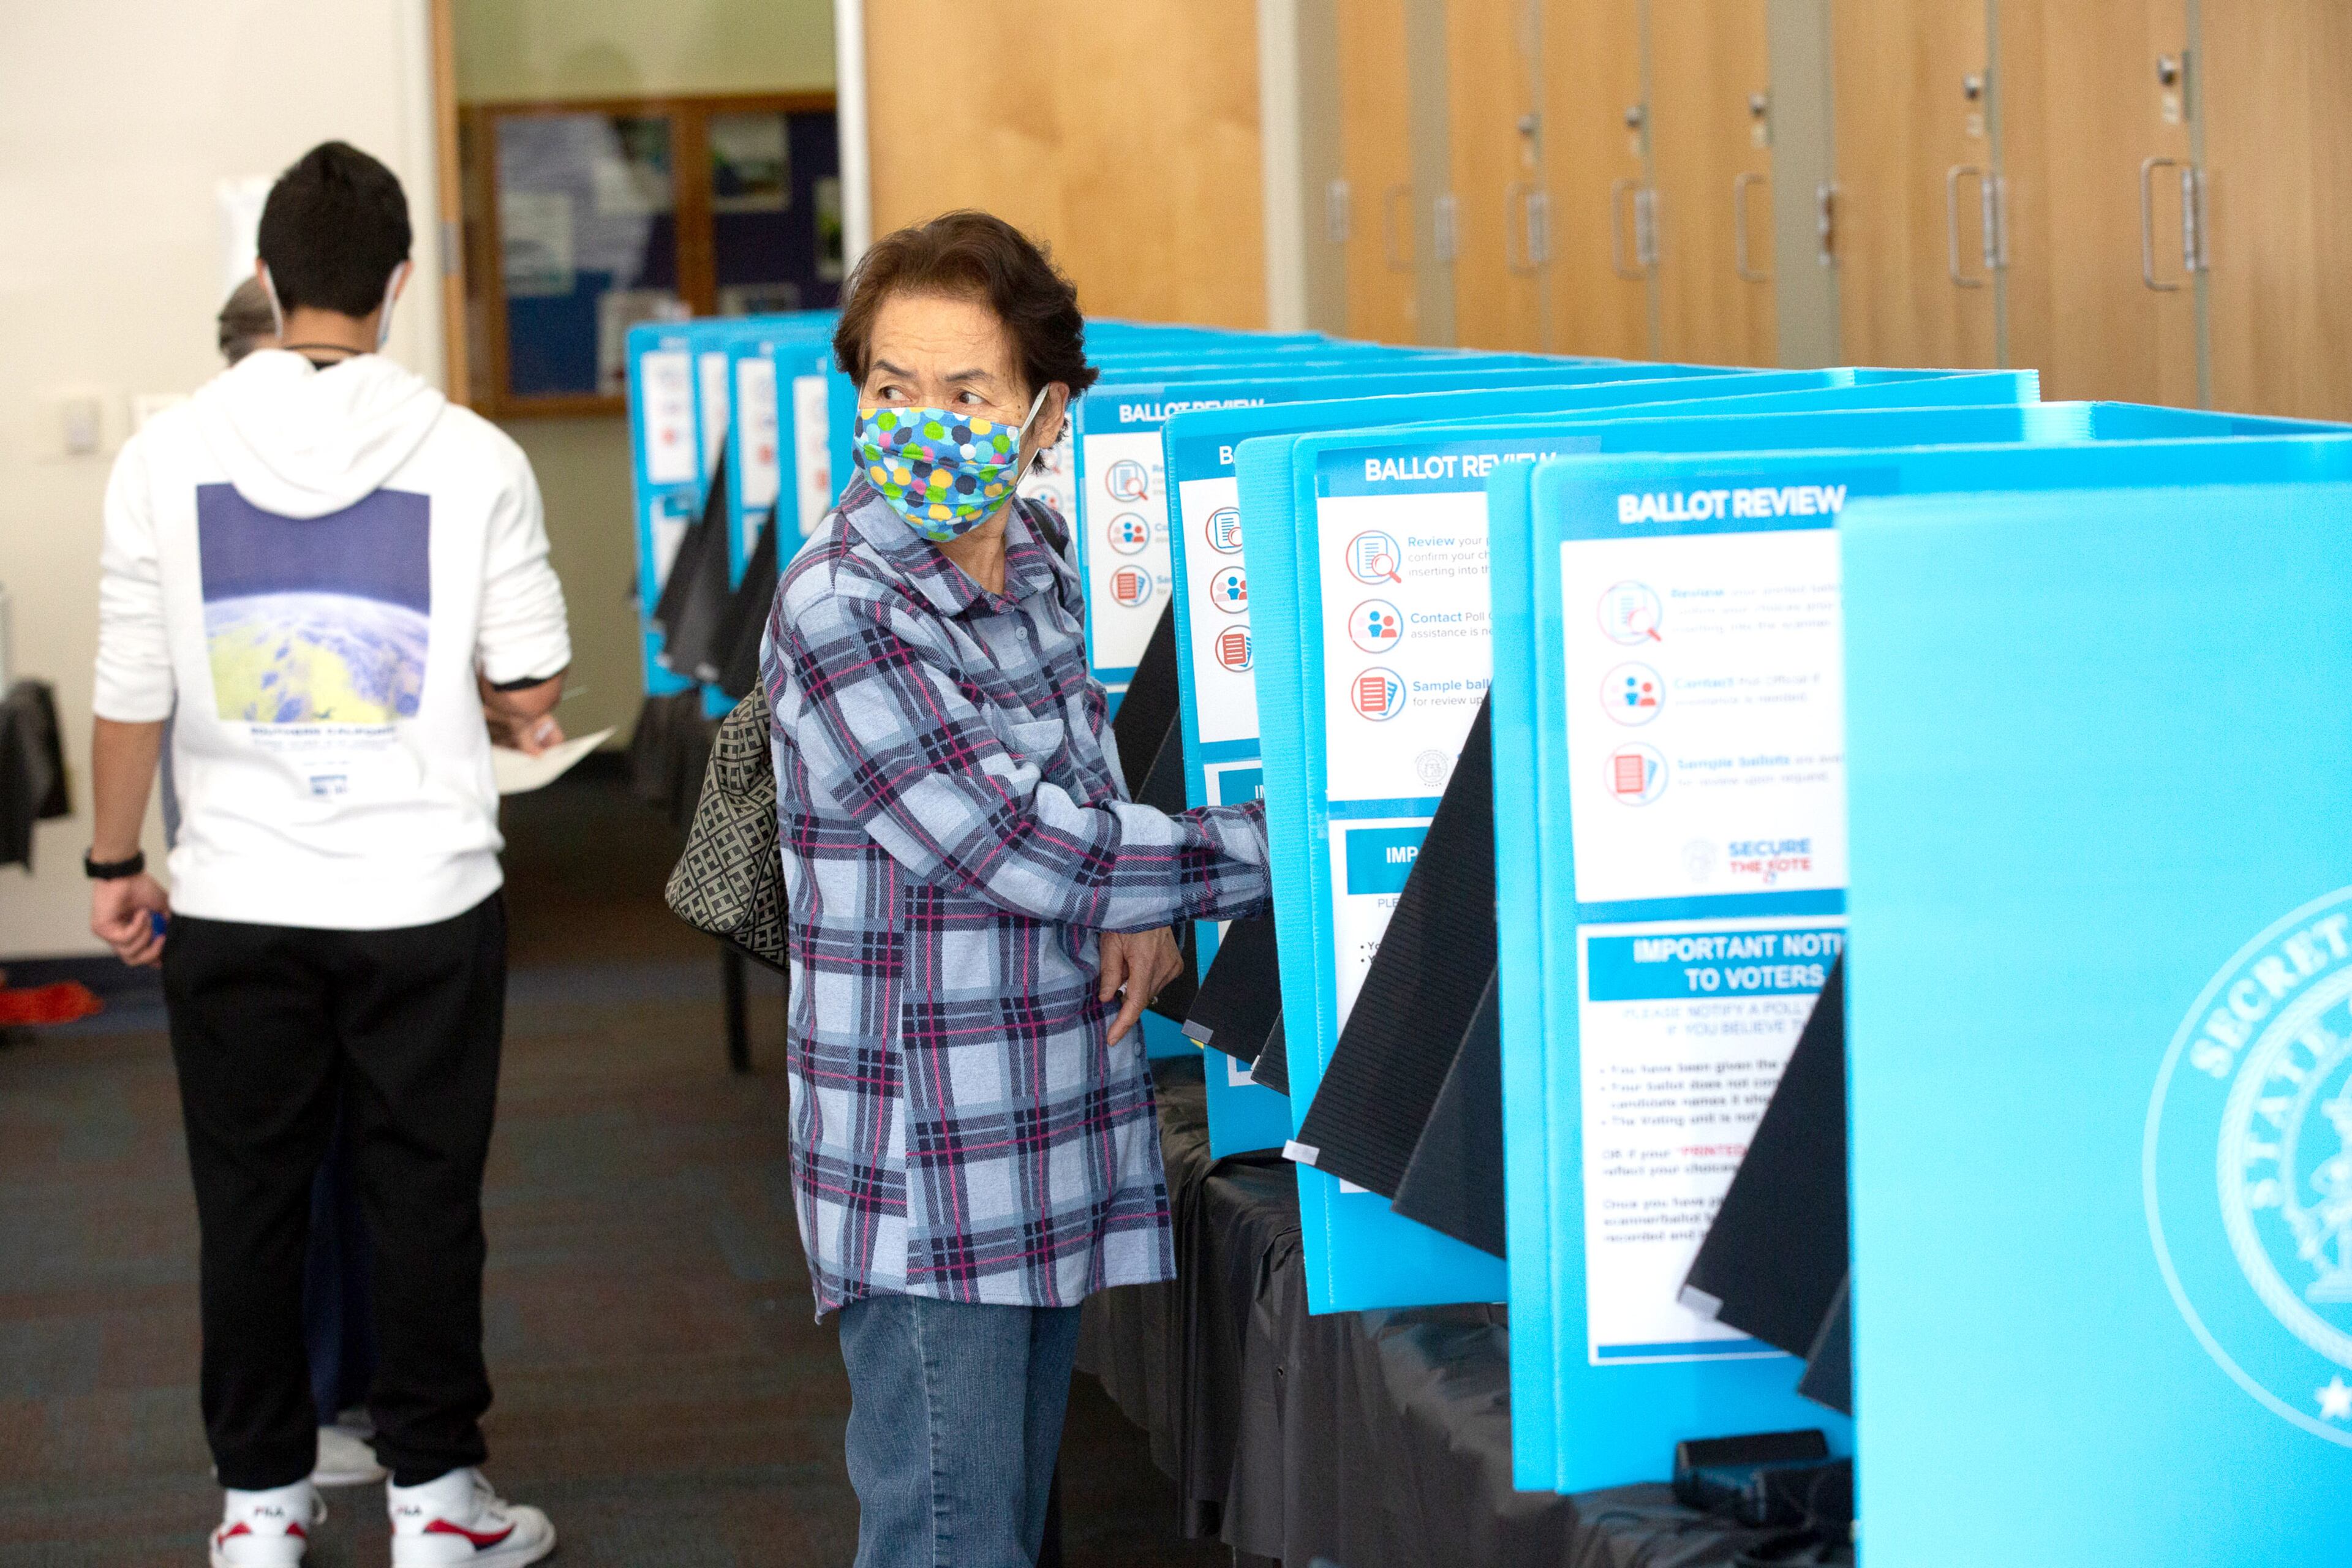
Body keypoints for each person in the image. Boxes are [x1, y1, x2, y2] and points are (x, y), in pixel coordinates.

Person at [763, 210, 1275, 1568]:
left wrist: (1146, 895)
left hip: (1047, 1123)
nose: (924, 421)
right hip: (931, 1170)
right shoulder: (844, 603)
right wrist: (1296, 842)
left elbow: (1086, 797)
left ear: (1047, 412)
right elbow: (1026, 846)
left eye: (968, 392)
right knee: (947, 1540)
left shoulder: (1038, 558)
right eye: (893, 388)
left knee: (1005, 1530)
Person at [89, 141, 566, 1567]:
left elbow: (132, 691)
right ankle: (434, 1504)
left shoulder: (162, 454)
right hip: (424, 898)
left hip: (235, 893)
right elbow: (533, 685)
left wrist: (121, 860)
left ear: (265, 278)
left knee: (247, 1202)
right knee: (422, 1193)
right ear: (401, 283)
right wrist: (476, 698)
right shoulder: (477, 454)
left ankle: (259, 1510)